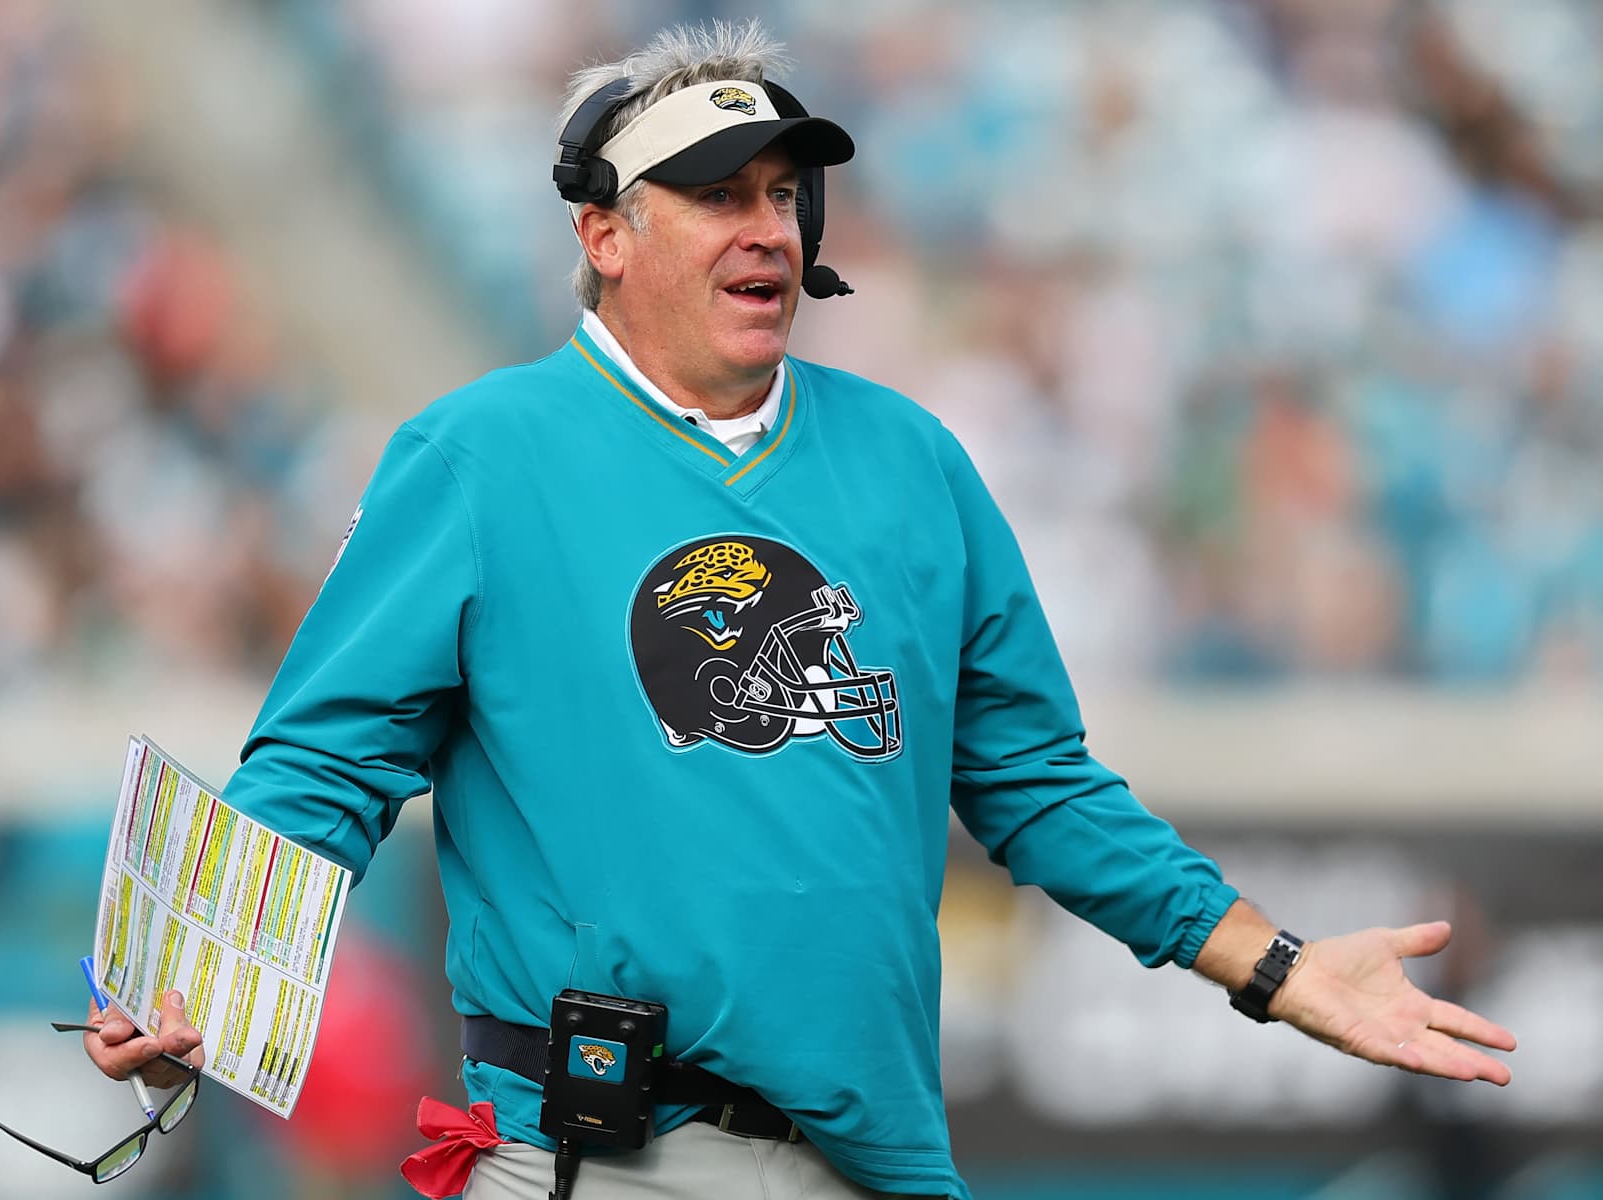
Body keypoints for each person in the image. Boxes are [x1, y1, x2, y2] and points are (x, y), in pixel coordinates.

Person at [84, 19, 1515, 1200]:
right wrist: (187, 982)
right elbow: (327, 761)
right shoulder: (478, 458)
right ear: (605, 233)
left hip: (871, 1159)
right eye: (717, 192)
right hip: (597, 1156)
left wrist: (1275, 967)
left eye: (783, 191)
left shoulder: (912, 461)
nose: (765, 223)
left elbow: (1036, 785)